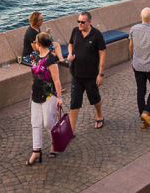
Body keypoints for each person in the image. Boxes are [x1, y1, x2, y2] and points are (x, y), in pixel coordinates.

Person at [27, 32, 64, 164]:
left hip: (49, 94)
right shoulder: (34, 56)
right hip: (36, 94)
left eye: (35, 42)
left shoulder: (51, 59)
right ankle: (36, 151)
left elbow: (57, 80)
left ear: (38, 44)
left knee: (48, 122)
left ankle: (56, 141)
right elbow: (34, 75)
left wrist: (60, 97)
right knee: (35, 122)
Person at [66, 11, 107, 131]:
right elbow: (70, 44)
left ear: (89, 22)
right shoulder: (75, 31)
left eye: (82, 22)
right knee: (74, 102)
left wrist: (100, 74)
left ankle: (99, 115)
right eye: (78, 21)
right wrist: (70, 53)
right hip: (76, 75)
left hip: (91, 76)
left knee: (94, 99)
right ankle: (71, 130)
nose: (80, 24)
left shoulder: (97, 35)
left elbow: (102, 54)